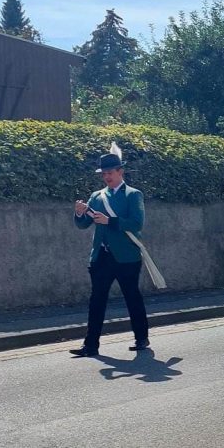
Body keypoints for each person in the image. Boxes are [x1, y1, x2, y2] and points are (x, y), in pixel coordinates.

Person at [70, 146, 150, 357]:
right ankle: (90, 345)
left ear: (120, 172)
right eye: (104, 174)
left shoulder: (133, 195)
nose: (107, 177)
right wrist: (79, 214)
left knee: (132, 297)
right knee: (97, 300)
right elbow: (84, 224)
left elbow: (136, 223)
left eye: (110, 173)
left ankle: (141, 337)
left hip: (126, 257)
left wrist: (110, 221)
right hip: (101, 257)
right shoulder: (96, 196)